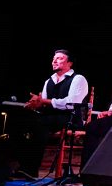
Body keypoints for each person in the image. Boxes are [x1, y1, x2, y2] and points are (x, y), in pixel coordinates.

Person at [23, 49, 89, 178]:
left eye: (59, 58)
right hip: (51, 118)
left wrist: (44, 101)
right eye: (54, 58)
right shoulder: (49, 81)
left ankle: (30, 169)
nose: (54, 60)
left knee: (38, 125)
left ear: (69, 63)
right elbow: (45, 104)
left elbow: (72, 102)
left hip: (70, 118)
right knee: (25, 123)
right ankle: (26, 168)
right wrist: (37, 103)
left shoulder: (78, 79)